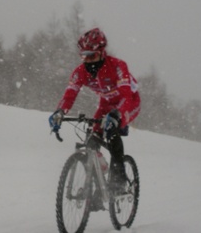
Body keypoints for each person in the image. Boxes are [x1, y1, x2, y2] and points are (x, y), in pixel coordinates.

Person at [49, 27, 141, 197]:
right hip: (105, 104)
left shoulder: (118, 66)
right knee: (91, 139)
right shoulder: (79, 73)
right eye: (85, 56)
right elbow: (69, 95)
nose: (89, 61)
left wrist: (118, 114)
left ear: (102, 52)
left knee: (112, 131)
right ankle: (97, 188)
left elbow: (127, 96)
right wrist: (59, 112)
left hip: (128, 103)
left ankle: (119, 180)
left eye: (92, 55)